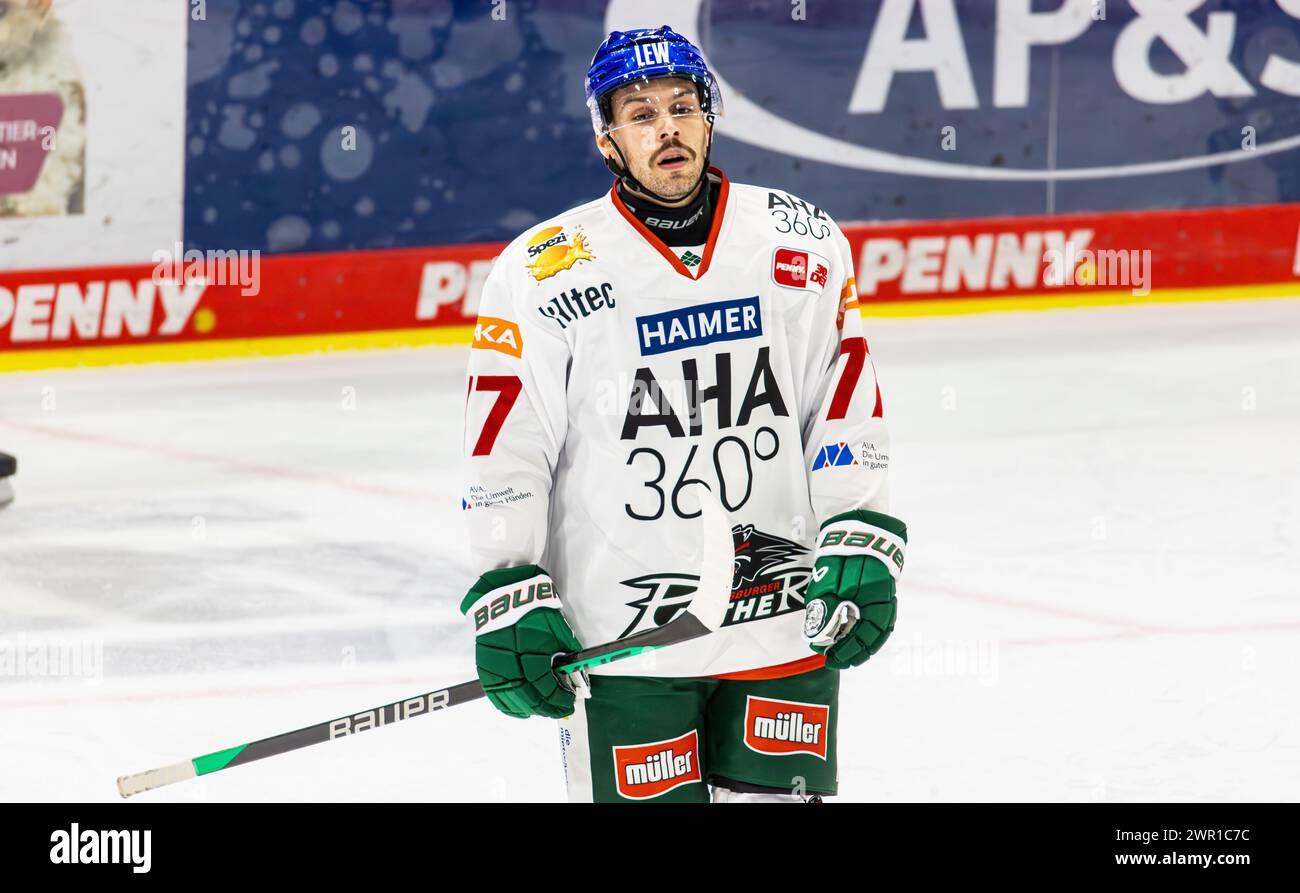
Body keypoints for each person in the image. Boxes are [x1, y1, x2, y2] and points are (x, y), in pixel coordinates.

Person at [461, 26, 906, 802]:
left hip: (784, 615)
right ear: (607, 140)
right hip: (626, 638)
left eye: (682, 105)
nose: (667, 126)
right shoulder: (542, 270)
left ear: (711, 116)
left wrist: (861, 531)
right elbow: (507, 449)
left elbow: (841, 406)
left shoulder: (801, 241)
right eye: (639, 113)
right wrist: (510, 587)